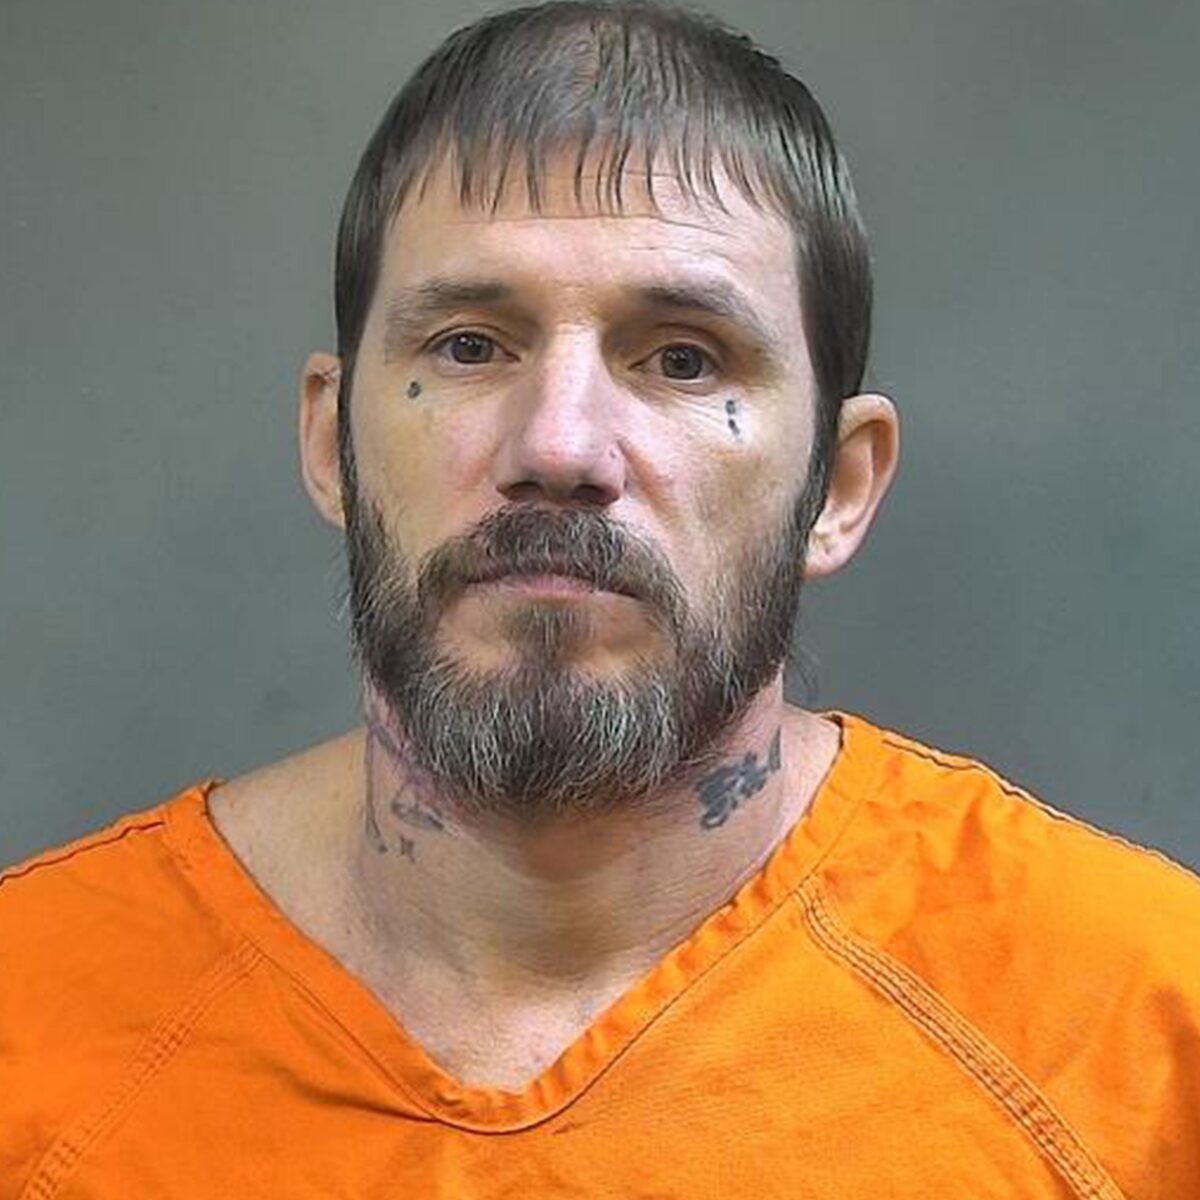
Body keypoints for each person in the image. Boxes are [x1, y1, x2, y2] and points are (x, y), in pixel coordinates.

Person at [2, 1, 1197, 1194]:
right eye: (470, 345)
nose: (560, 447)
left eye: (682, 358)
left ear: (836, 488)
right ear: (332, 445)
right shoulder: (31, 1019)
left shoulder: (1140, 1037)